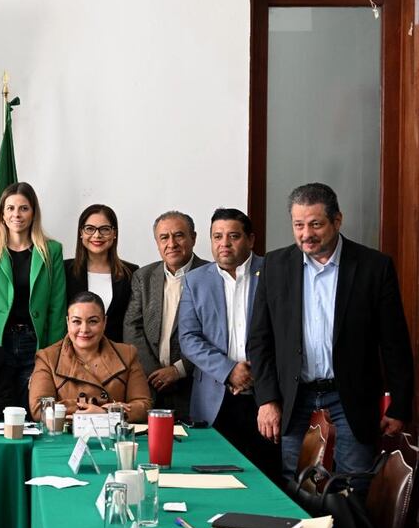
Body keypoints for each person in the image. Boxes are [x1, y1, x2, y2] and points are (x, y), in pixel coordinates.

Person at [248, 183, 414, 484]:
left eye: (316, 224)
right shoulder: (275, 265)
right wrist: (267, 399)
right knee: (292, 485)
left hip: (350, 394)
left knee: (353, 485)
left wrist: (400, 405)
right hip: (293, 396)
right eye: (298, 225)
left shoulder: (373, 267)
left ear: (337, 221)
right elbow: (260, 340)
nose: (306, 234)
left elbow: (394, 342)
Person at [178, 209, 281, 482]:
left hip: (267, 396)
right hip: (216, 397)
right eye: (217, 237)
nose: (224, 243)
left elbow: (286, 334)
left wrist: (253, 371)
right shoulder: (195, 281)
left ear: (250, 239)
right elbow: (188, 338)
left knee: (266, 477)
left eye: (233, 236)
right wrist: (229, 370)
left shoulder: (273, 272)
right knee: (215, 477)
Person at [0, 182, 66, 410]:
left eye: (24, 208)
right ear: (2, 214)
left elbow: (57, 305)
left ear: (33, 213)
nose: (17, 214)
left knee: (31, 406)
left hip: (35, 341)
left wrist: (51, 352)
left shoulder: (51, 250)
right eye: (10, 208)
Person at [125, 210, 207, 421]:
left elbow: (216, 335)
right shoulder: (143, 277)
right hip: (151, 386)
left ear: (193, 238)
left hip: (195, 385)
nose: (172, 243)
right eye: (164, 237)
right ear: (157, 242)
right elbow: (132, 328)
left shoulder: (212, 275)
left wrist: (178, 370)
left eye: (179, 235)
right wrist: (155, 374)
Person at [29, 291, 151, 422]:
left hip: (113, 438)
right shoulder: (47, 357)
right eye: (76, 321)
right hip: (66, 438)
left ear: (104, 322)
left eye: (93, 321)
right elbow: (39, 409)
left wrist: (105, 413)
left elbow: (143, 406)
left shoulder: (128, 354)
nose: (84, 329)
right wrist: (99, 411)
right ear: (67, 322)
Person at [64, 204, 139, 343]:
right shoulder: (64, 270)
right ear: (81, 233)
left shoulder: (132, 273)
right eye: (90, 229)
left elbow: (133, 324)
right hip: (74, 355)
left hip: (117, 355)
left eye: (104, 229)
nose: (97, 235)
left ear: (114, 233)